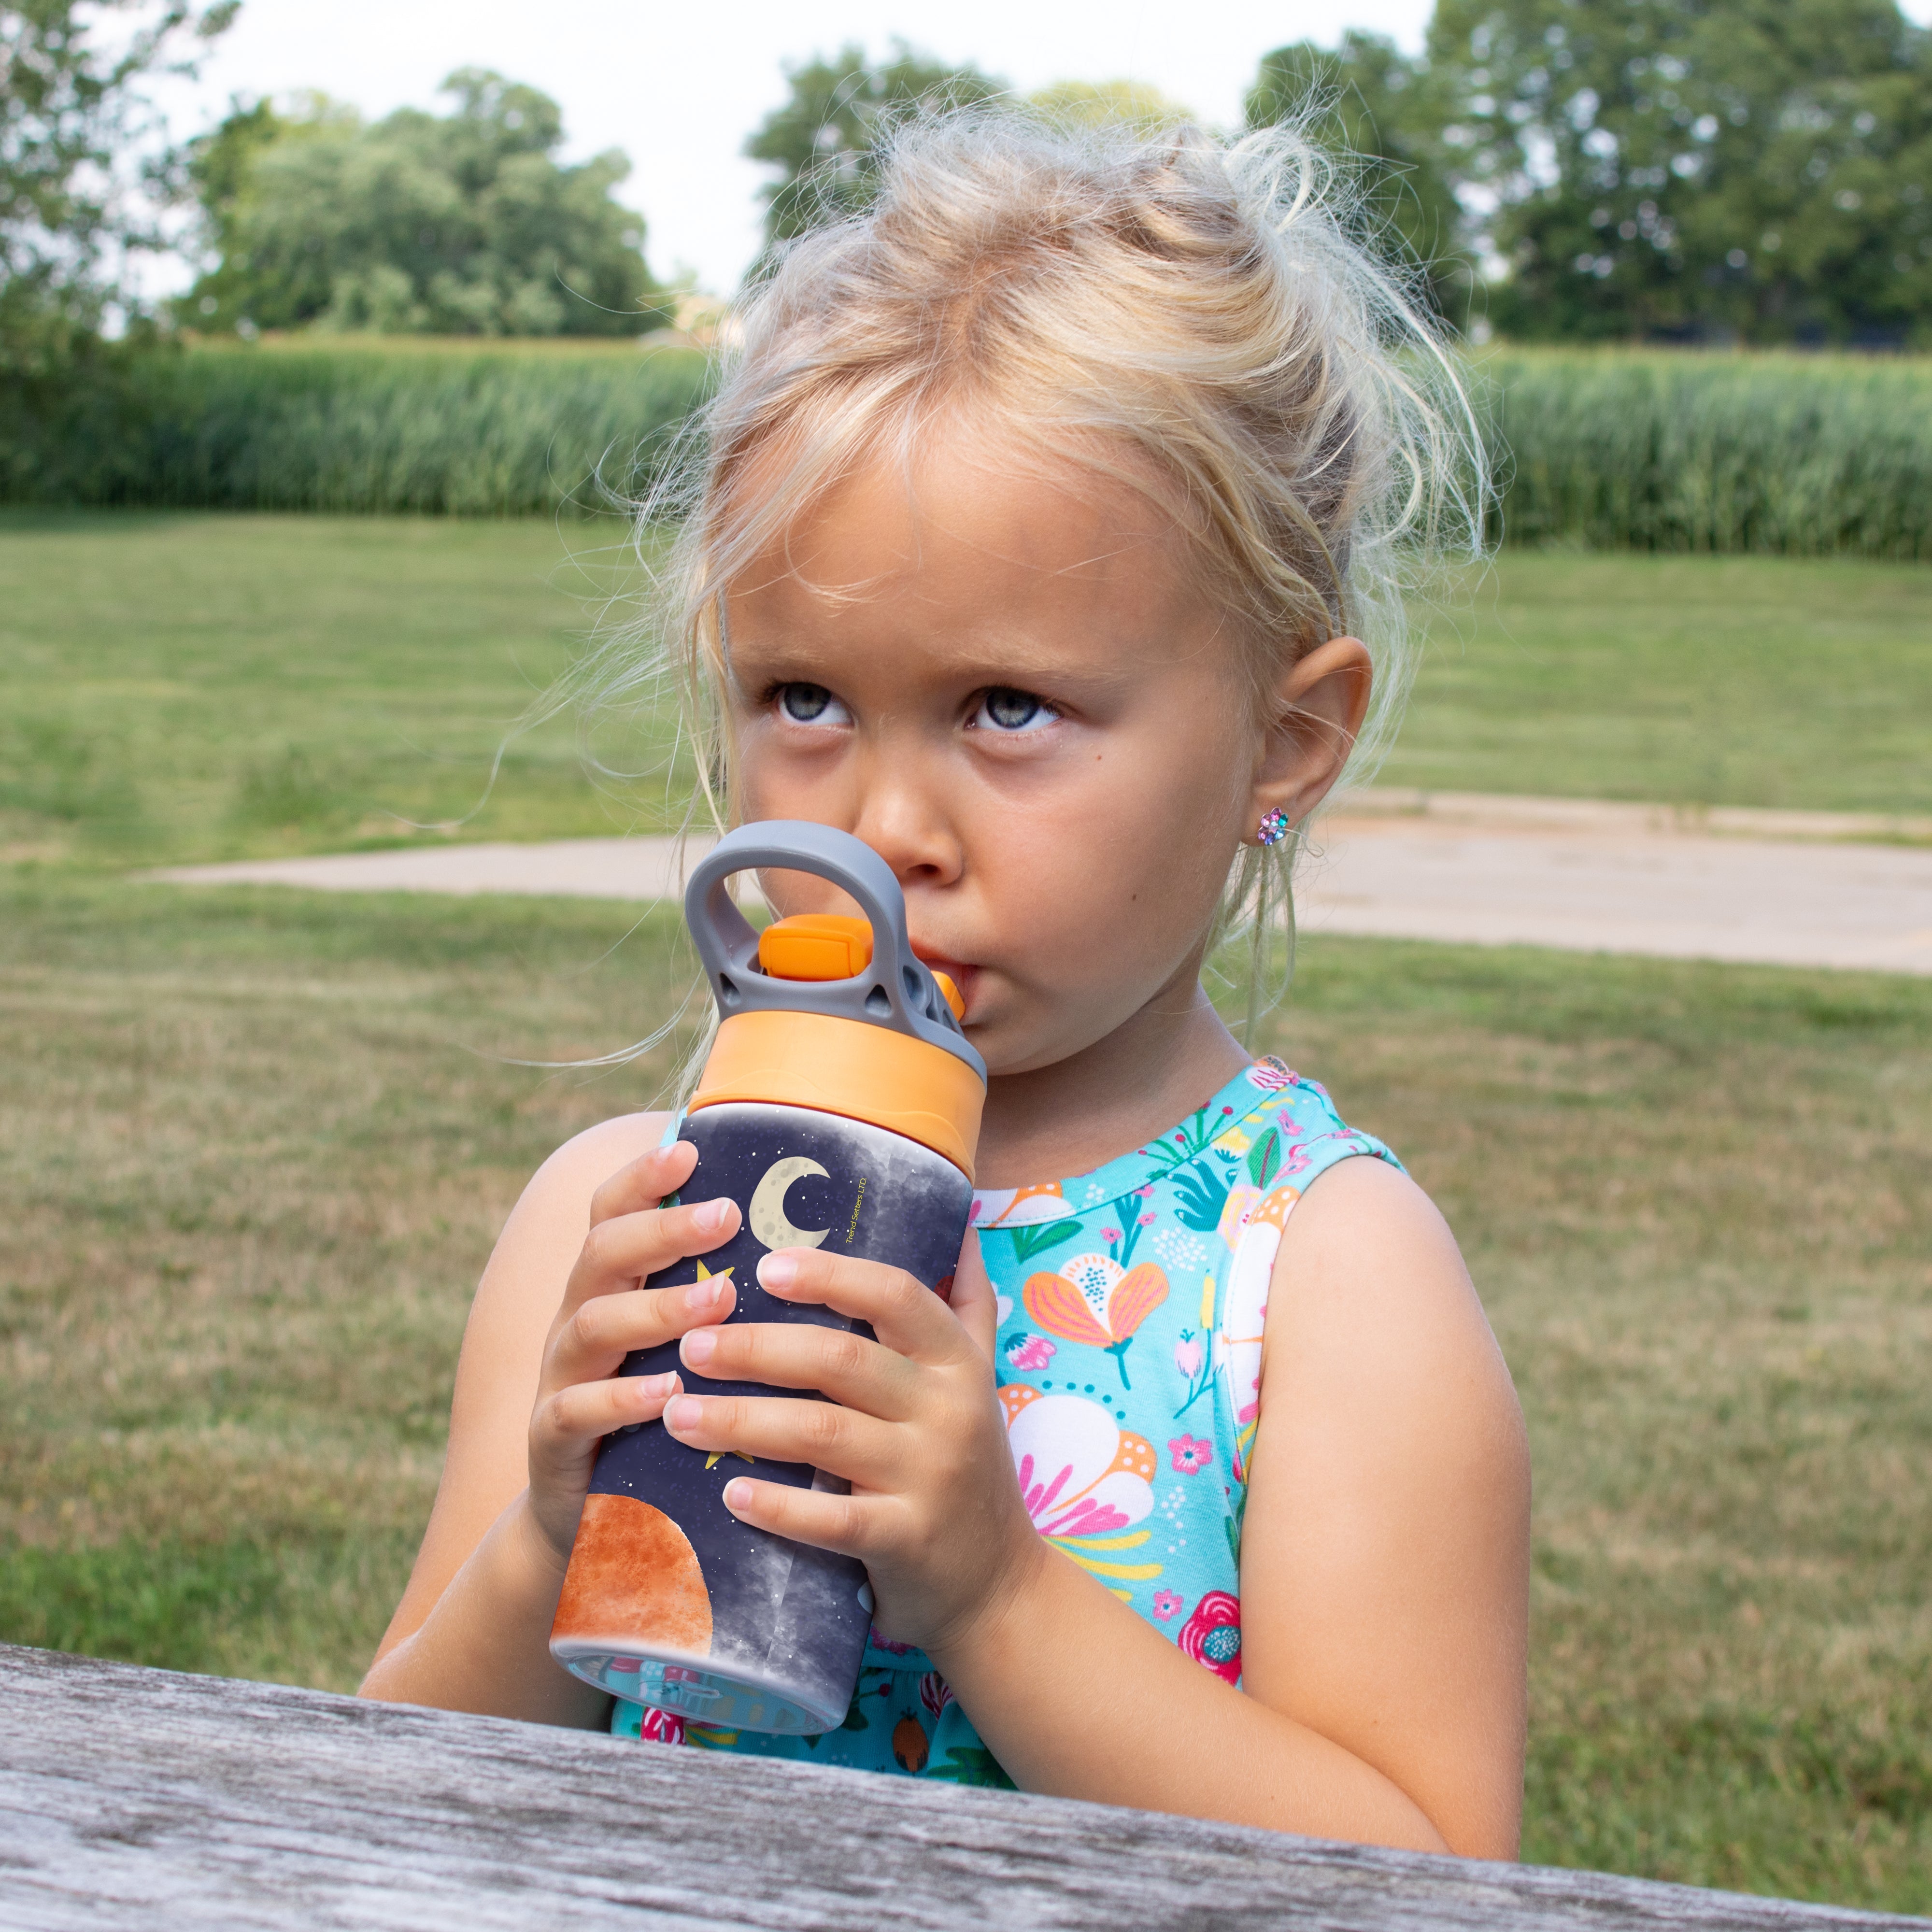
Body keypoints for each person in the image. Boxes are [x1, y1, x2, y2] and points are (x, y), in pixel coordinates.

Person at [360, 108, 1530, 1858]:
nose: (889, 825)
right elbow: (369, 1800)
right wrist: (541, 1536)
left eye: (1007, 710)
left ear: (1285, 743)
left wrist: (995, 1589)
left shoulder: (1320, 1289)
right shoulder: (616, 1224)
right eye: (806, 700)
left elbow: (1430, 1874)